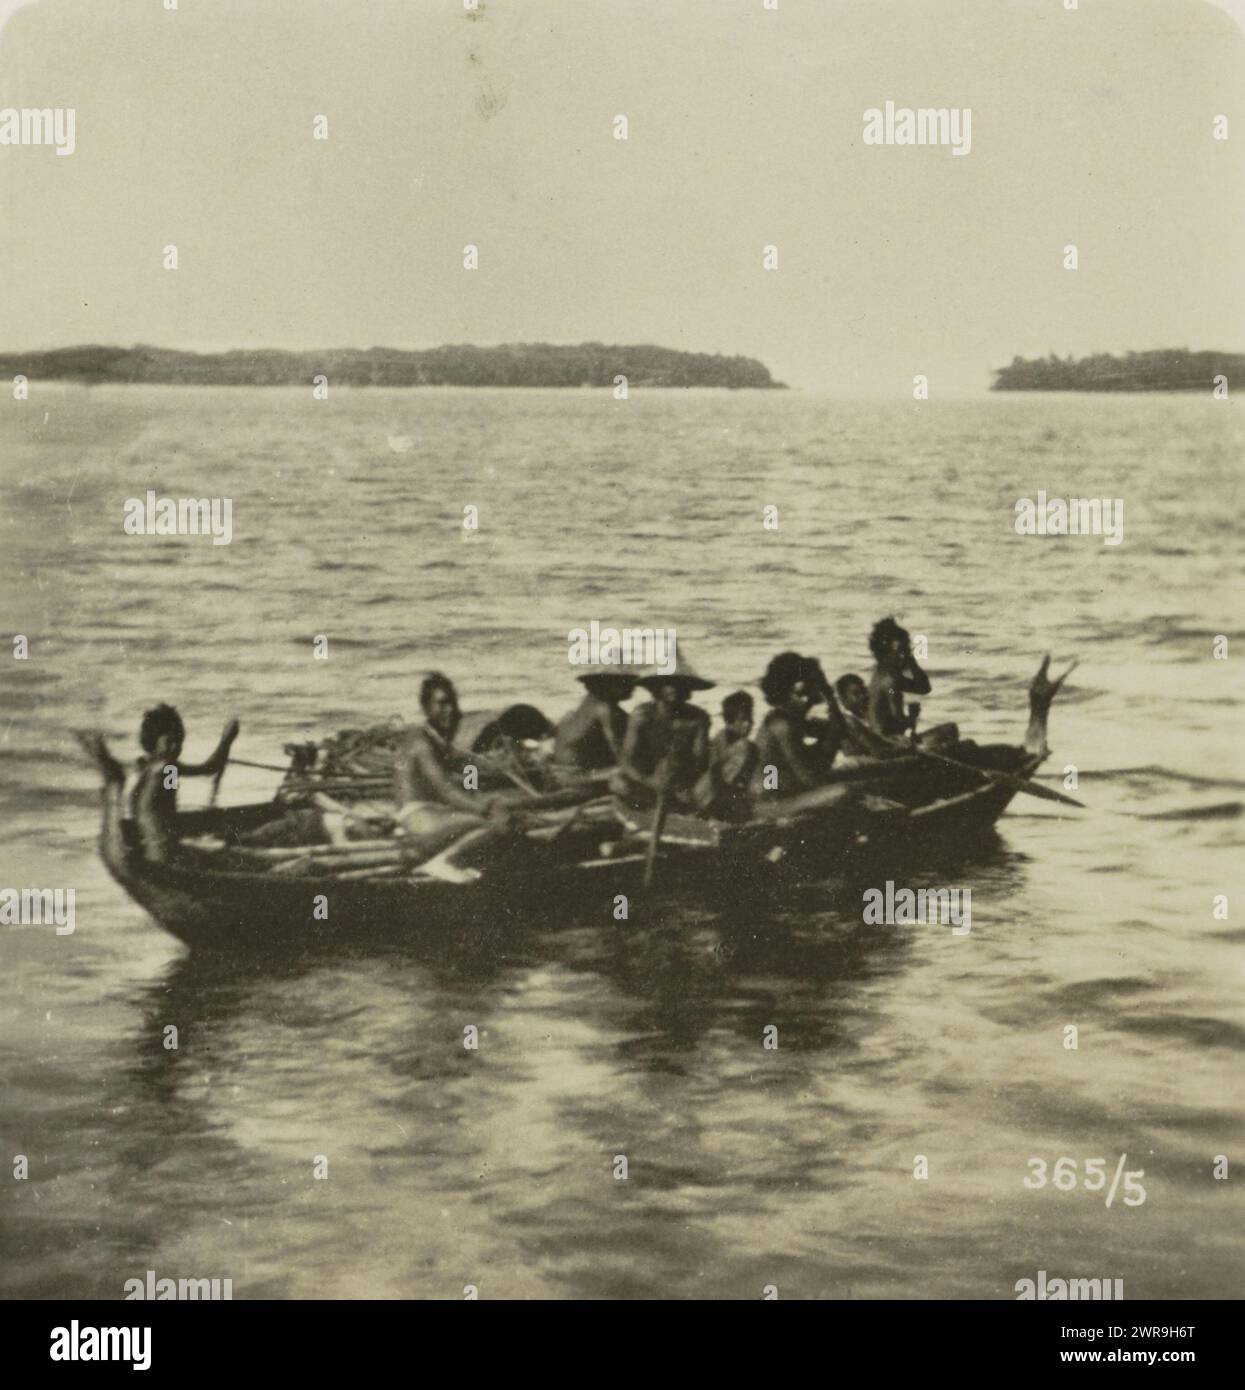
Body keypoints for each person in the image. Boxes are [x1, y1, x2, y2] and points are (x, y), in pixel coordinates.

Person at [393, 672, 519, 882]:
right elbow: (447, 791)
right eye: (441, 704)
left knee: (489, 815)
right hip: (416, 816)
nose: (449, 711)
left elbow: (467, 768)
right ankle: (443, 862)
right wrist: (484, 807)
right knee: (493, 825)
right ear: (425, 708)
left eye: (452, 703)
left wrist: (494, 770)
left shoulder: (437, 741)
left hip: (432, 813)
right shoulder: (420, 742)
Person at [750, 652, 857, 818]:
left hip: (776, 795)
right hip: (769, 803)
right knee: (844, 790)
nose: (810, 701)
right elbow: (809, 780)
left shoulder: (785, 719)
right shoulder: (783, 726)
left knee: (846, 781)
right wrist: (833, 733)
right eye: (804, 694)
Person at [129, 704, 239, 862]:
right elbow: (210, 768)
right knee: (233, 857)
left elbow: (167, 807)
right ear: (154, 741)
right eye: (169, 741)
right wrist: (227, 740)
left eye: (179, 741)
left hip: (153, 851)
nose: (176, 747)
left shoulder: (146, 766)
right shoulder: (167, 768)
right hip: (166, 854)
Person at [609, 656, 713, 811]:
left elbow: (699, 761)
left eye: (680, 683)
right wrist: (650, 781)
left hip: (680, 785)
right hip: (646, 783)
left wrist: (679, 782)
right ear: (656, 687)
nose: (674, 688)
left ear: (688, 689)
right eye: (667, 682)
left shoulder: (697, 718)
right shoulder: (642, 715)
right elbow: (626, 761)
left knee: (709, 784)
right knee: (619, 782)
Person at [552, 671, 636, 772]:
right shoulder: (604, 708)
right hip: (577, 768)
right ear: (608, 686)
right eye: (625, 683)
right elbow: (617, 748)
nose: (633, 687)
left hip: (563, 762)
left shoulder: (588, 703)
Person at [694, 689, 759, 820]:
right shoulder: (728, 741)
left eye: (750, 718)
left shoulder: (733, 740)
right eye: (742, 720)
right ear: (730, 721)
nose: (749, 724)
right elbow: (717, 774)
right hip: (712, 792)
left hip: (717, 789)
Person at [867, 617, 932, 737]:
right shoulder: (890, 682)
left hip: (884, 738)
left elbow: (924, 688)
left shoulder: (882, 673)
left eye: (906, 651)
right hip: (889, 742)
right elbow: (898, 720)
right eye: (899, 652)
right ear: (885, 652)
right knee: (950, 730)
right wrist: (912, 717)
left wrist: (911, 662)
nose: (903, 656)